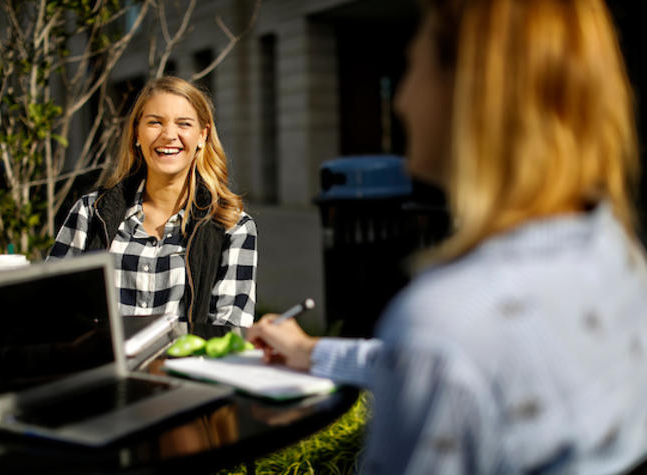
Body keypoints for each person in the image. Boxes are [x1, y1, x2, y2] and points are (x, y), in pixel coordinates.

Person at [248, 0, 647, 472]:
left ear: (473, 92)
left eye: (414, 67)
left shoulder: (446, 319)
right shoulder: (615, 250)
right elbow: (450, 368)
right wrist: (313, 351)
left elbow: (443, 355)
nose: (401, 101)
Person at [50, 76, 257, 327]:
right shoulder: (90, 213)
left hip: (184, 365)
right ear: (137, 132)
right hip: (106, 364)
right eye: (155, 122)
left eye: (184, 124)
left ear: (203, 136)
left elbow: (228, 330)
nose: (169, 135)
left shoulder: (232, 226)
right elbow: (53, 308)